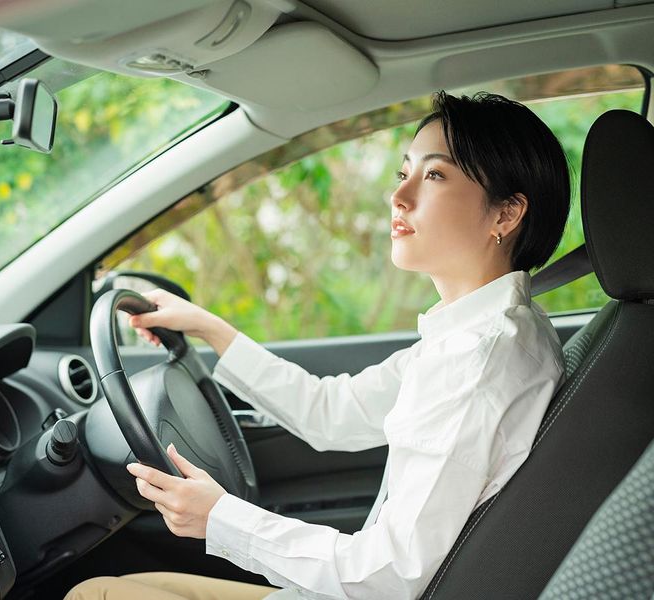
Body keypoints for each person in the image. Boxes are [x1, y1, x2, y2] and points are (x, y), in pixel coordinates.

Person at [65, 91, 570, 600]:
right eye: (404, 173)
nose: (399, 196)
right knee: (117, 588)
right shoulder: (476, 335)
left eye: (435, 175)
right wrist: (210, 328)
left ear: (506, 214)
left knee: (94, 596)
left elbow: (389, 575)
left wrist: (220, 517)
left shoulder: (476, 363)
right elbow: (332, 412)